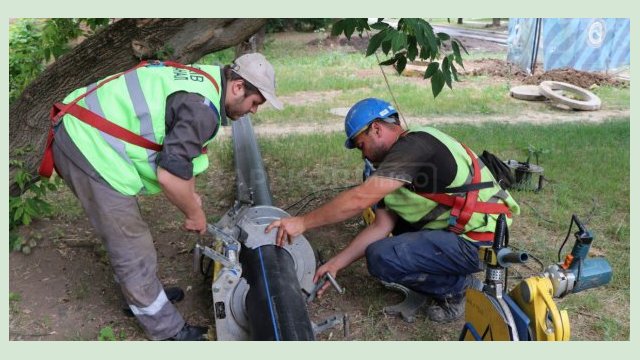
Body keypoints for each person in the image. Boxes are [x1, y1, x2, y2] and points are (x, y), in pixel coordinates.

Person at [44, 53, 283, 340]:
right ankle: (167, 330)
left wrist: (191, 195)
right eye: (256, 102)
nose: (254, 111)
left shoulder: (205, 83)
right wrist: (195, 214)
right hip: (88, 145)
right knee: (131, 242)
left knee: (129, 238)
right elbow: (169, 176)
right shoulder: (202, 109)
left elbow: (183, 158)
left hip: (87, 130)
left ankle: (142, 294)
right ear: (238, 87)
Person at [266, 98, 519, 323]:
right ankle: (450, 270)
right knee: (388, 244)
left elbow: (358, 199)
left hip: (482, 240)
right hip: (462, 231)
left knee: (383, 256)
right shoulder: (396, 164)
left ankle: (457, 288)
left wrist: (302, 222)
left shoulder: (415, 145)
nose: (361, 154)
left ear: (376, 128)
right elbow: (381, 226)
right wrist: (335, 264)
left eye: (360, 144)